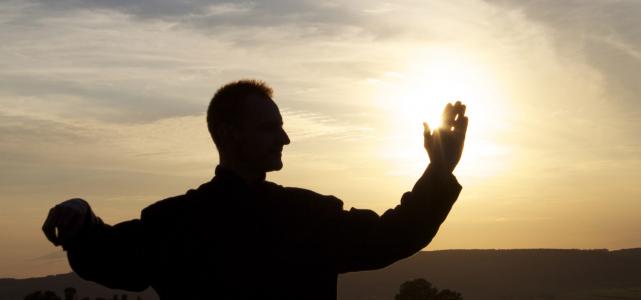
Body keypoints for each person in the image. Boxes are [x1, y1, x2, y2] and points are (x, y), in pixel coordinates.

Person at [42, 79, 468, 300]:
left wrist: (439, 170)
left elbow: (392, 237)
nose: (284, 139)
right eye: (270, 128)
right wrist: (81, 219)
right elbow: (111, 256)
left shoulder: (171, 221)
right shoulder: (304, 216)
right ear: (229, 134)